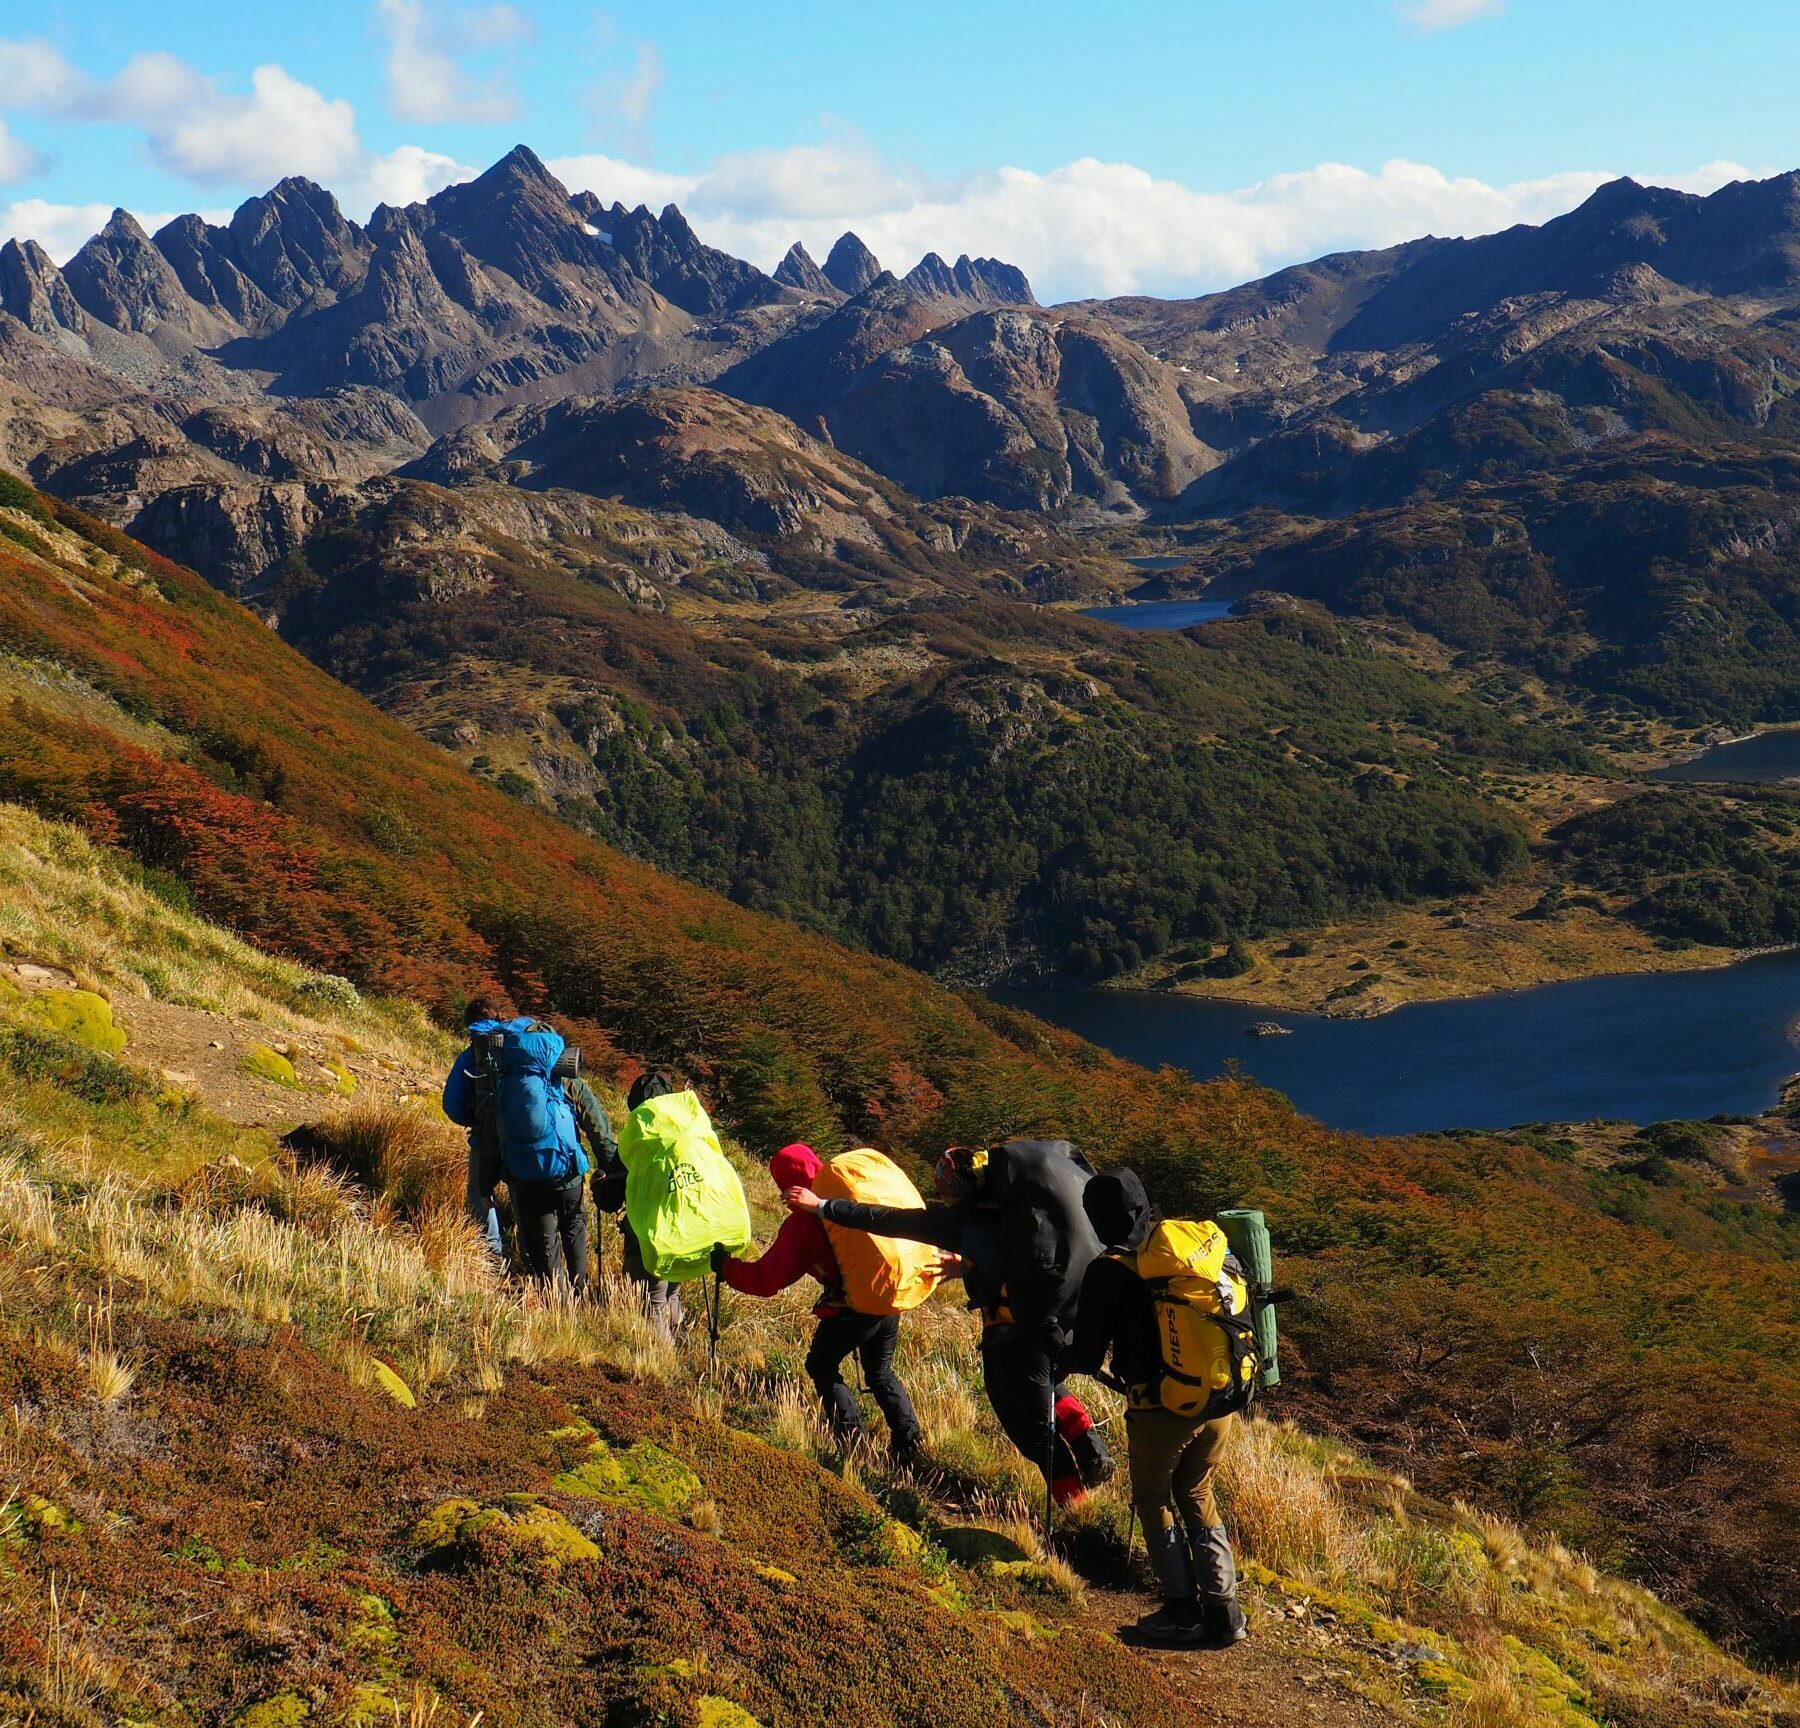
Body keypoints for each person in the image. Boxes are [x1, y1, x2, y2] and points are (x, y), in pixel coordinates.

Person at [784, 1140, 1112, 1504]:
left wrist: (822, 1206)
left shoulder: (961, 1223)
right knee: (1043, 1385)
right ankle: (1089, 1446)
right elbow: (1003, 1257)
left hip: (1015, 1327)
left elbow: (883, 1219)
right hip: (1066, 1310)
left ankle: (1074, 1503)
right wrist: (960, 1268)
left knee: (1022, 1418)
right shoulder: (1017, 1207)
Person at [1061, 1167, 1248, 1650]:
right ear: (1145, 1207)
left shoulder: (1110, 1269)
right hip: (1219, 1400)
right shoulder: (1187, 1252)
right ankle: (1225, 1613)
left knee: (1153, 1499)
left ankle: (1181, 1610)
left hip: (1160, 1409)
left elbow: (1084, 1354)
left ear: (1098, 1219)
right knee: (1197, 1492)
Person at [712, 1143, 923, 1467]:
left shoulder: (803, 1226)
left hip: (854, 1308)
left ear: (787, 1186)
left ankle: (854, 1446)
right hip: (889, 1295)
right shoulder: (848, 1200)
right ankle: (910, 1445)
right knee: (880, 1373)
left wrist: (726, 1267)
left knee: (822, 1366)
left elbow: (765, 1280)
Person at [442, 1006, 615, 1295]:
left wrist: (486, 1185)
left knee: (541, 1238)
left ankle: (549, 1295)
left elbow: (459, 1112)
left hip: (522, 1171)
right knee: (574, 1227)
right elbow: (596, 1122)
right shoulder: (562, 1076)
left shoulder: (500, 1076)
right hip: (567, 1169)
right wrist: (611, 1168)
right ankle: (580, 1290)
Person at [590, 1067, 684, 1337]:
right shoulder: (686, 1137)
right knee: (673, 1291)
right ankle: (679, 1342)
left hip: (647, 1235)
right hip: (685, 1230)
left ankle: (663, 1365)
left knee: (652, 1303)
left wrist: (599, 1187)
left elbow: (610, 1201)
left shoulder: (635, 1142)